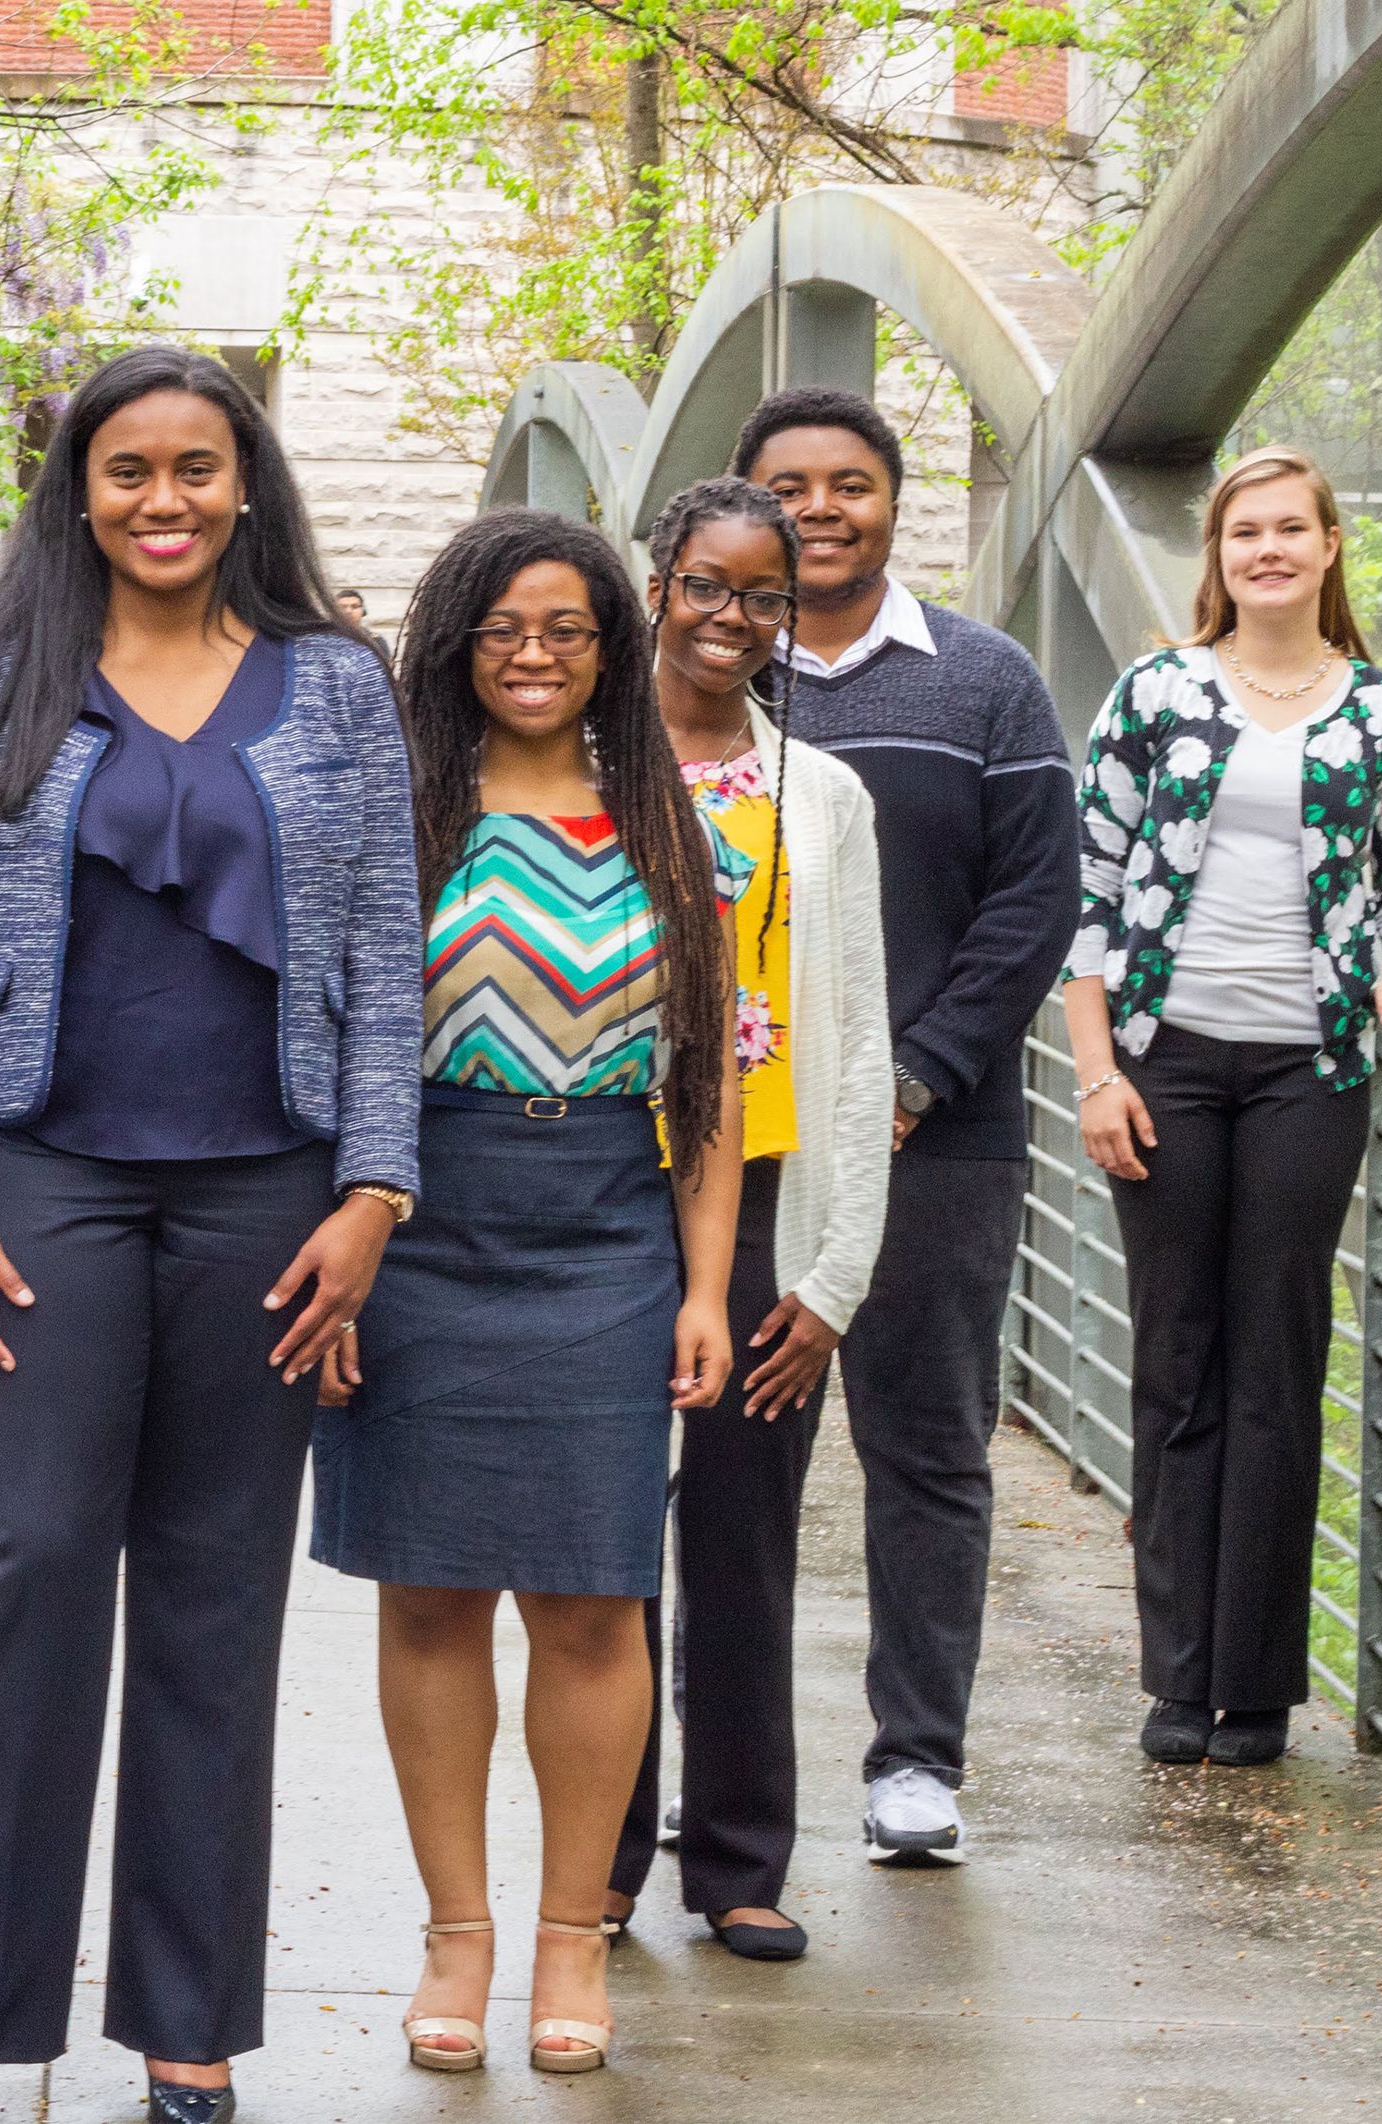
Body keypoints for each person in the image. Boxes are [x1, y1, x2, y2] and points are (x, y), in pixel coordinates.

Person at [0, 345, 421, 2124]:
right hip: (45, 1181)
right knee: (21, 1571)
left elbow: (388, 967)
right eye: (129, 470)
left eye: (197, 467)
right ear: (81, 491)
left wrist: (372, 1192)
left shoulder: (340, 687)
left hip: (268, 1195)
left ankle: (190, 2020)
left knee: (213, 1600)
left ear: (247, 483)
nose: (165, 499)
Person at [306, 506, 744, 2074]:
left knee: (588, 1594)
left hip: (605, 1236)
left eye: (567, 630)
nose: (537, 657)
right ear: (457, 646)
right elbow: (328, 1050)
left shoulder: (662, 817)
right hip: (416, 1222)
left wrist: (705, 1291)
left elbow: (708, 1086)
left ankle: (572, 1941)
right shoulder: (399, 808)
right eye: (505, 631)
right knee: (430, 1594)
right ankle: (456, 1936)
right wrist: (339, 1268)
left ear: (611, 648)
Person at [1061, 446, 1382, 1769]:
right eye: (1245, 534)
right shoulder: (1158, 693)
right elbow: (1090, 890)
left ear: (1331, 546)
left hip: (1309, 1066)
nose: (1268, 550)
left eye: (1292, 529)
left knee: (1279, 1365)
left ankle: (1258, 1693)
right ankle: (1179, 1679)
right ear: (1218, 558)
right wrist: (1096, 1069)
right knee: (1178, 1358)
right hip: (1165, 1063)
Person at [735, 386, 1077, 1864]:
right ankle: (724, 1772)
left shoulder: (985, 682)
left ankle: (915, 1766)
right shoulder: (694, 679)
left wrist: (912, 1081)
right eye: (791, 485)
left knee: (927, 1447)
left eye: (852, 484)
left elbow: (1037, 904)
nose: (822, 508)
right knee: (736, 1453)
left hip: (940, 1140)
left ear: (894, 502)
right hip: (739, 1149)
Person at [603, 478, 892, 1960]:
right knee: (600, 1537)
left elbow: (862, 1055)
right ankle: (601, 1858)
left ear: (793, 612)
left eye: (762, 595)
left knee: (742, 1534)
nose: (731, 617)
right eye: (706, 586)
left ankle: (737, 1864)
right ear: (657, 583)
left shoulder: (822, 800)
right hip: (602, 1184)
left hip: (770, 1193)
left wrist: (833, 1276)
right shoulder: (577, 764)